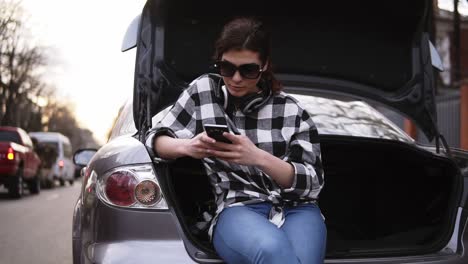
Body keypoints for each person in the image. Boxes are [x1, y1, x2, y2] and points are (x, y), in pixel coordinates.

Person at [146, 17, 326, 264]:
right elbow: (155, 141)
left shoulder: (290, 109)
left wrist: (258, 158)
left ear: (264, 66)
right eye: (227, 68)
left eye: (248, 70)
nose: (236, 78)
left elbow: (313, 183)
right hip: (238, 206)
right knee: (272, 250)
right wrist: (187, 146)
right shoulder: (204, 92)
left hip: (297, 208)